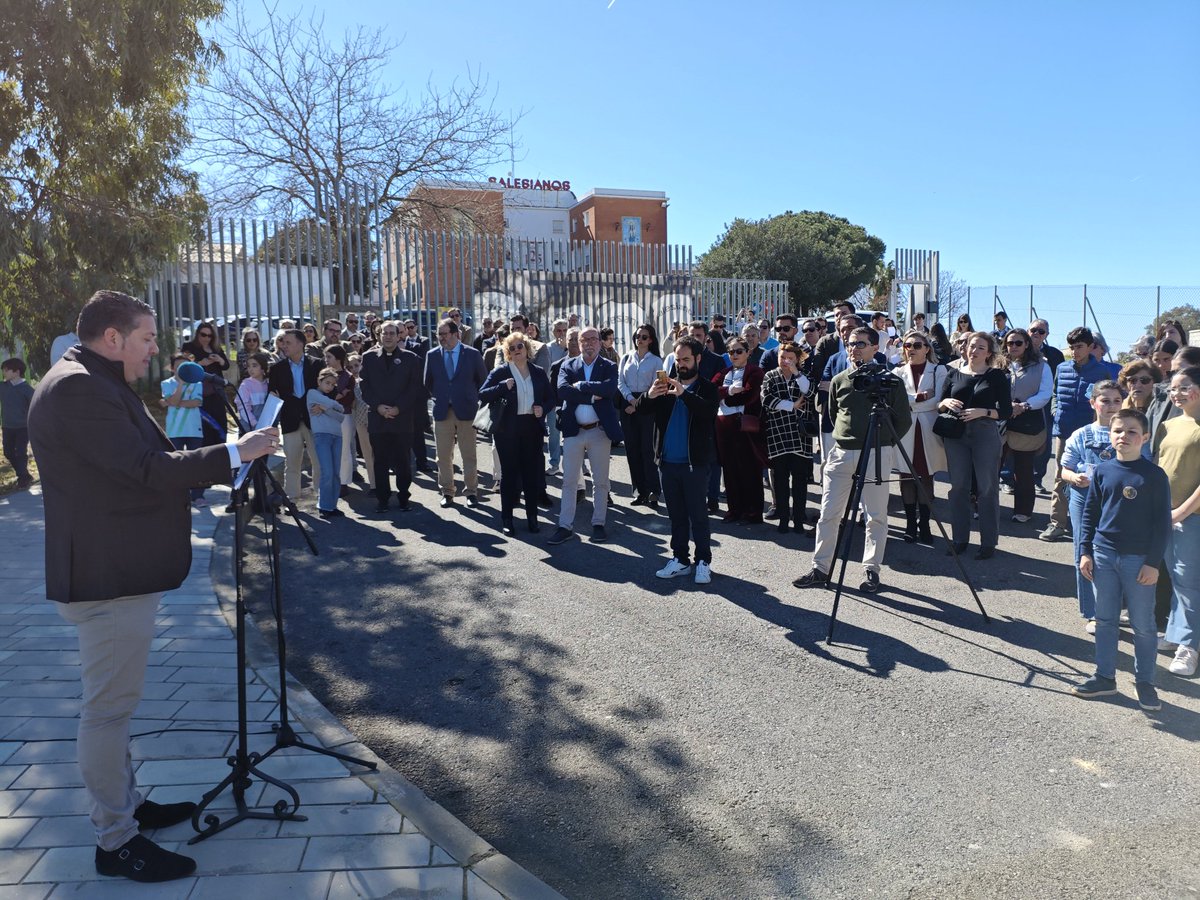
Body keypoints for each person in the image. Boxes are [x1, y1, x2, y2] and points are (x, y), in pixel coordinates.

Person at [27, 290, 277, 883]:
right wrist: (234, 451)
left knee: (115, 707)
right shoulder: (80, 387)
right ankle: (115, 841)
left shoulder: (88, 378)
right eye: (146, 338)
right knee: (108, 712)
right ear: (112, 337)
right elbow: (145, 469)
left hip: (112, 568)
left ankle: (129, 806)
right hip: (107, 575)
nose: (155, 349)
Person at [794, 327, 912, 593]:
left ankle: (872, 569)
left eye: (860, 344)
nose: (854, 348)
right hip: (842, 452)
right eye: (850, 344)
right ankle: (820, 568)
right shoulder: (840, 379)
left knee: (875, 516)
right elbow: (834, 414)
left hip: (876, 452)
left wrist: (883, 442)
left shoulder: (890, 381)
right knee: (829, 514)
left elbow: (903, 420)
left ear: (875, 348)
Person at [1071, 408, 1171, 709]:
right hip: (1103, 555)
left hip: (1138, 560)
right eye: (1117, 431)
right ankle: (1105, 677)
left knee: (1143, 624)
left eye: (1131, 431)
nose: (1123, 436)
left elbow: (1162, 524)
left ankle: (1145, 682)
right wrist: (1085, 551)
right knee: (1105, 619)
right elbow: (1090, 514)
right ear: (1110, 435)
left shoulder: (1154, 475)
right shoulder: (1102, 471)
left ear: (1145, 437)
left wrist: (1153, 563)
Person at [643, 336, 720, 583]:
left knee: (698, 516)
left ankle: (703, 561)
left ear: (698, 358)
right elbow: (641, 409)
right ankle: (680, 559)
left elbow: (708, 412)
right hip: (667, 464)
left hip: (694, 465)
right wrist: (650, 395)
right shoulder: (664, 385)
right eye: (677, 360)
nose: (681, 364)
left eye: (686, 359)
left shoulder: (707, 388)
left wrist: (684, 394)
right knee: (676, 517)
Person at [937, 331, 1012, 559]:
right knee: (958, 487)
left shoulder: (996, 376)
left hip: (984, 433)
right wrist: (945, 402)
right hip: (956, 435)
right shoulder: (953, 373)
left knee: (986, 488)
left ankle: (988, 542)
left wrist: (984, 412)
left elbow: (1006, 411)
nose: (974, 350)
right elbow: (939, 405)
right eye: (971, 346)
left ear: (988, 353)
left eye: (981, 347)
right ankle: (959, 539)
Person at [547, 326, 623, 545]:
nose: (589, 343)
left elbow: (609, 390)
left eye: (593, 339)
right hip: (574, 431)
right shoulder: (567, 365)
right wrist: (590, 397)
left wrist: (581, 386)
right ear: (578, 343)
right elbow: (563, 390)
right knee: (569, 481)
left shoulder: (609, 366)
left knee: (600, 482)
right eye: (584, 339)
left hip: (599, 431)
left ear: (599, 342)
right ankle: (565, 526)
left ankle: (598, 524)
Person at [1061, 380, 1125, 632]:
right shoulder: (1081, 434)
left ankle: (1114, 608)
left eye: (1117, 401)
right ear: (1093, 403)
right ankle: (1094, 612)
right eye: (1105, 401)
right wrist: (1074, 477)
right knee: (1085, 549)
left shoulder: (1129, 432)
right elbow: (1064, 470)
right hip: (1084, 498)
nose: (1111, 406)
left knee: (1116, 552)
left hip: (1118, 501)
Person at [1042, 327, 1111, 542]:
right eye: (1071, 347)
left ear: (1090, 347)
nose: (1074, 351)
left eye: (1079, 347)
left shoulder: (1101, 372)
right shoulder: (1062, 368)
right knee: (1061, 476)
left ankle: (1087, 523)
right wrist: (1055, 411)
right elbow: (1055, 393)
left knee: (1091, 478)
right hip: (1064, 431)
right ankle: (1057, 523)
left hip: (1091, 435)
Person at [479, 333, 551, 534]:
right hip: (507, 430)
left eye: (520, 346)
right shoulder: (501, 372)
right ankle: (507, 519)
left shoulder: (537, 372)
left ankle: (532, 518)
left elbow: (551, 398)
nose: (517, 350)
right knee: (509, 475)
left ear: (527, 348)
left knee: (531, 474)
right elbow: (482, 394)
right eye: (512, 348)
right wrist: (502, 386)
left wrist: (543, 409)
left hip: (532, 427)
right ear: (508, 353)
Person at [1154, 365, 1200, 676]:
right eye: (1173, 388)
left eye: (1184, 387)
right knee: (1174, 576)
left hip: (1191, 516)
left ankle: (1190, 647)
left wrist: (1181, 512)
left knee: (1188, 581)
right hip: (1163, 514)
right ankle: (1177, 633)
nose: (1177, 393)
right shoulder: (1169, 424)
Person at [359, 322, 422, 513]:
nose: (387, 336)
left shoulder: (410, 358)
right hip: (378, 419)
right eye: (384, 333)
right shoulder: (369, 357)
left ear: (398, 336)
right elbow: (364, 386)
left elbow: (415, 387)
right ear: (379, 335)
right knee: (380, 461)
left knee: (403, 461)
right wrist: (378, 406)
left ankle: (404, 497)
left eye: (391, 333)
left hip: (402, 419)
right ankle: (383, 499)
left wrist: (398, 408)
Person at [424, 317, 487, 507]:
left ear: (456, 334)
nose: (441, 338)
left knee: (469, 454)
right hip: (443, 411)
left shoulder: (472, 354)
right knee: (443, 455)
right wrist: (442, 396)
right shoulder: (432, 355)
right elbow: (428, 382)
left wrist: (470, 397)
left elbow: (482, 380)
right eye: (439, 334)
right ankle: (447, 491)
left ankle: (471, 491)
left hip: (467, 411)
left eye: (444, 334)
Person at [760, 340, 818, 535]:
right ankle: (784, 519)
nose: (785, 361)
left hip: (800, 436)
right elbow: (766, 400)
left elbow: (810, 393)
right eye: (782, 357)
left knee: (800, 481)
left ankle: (799, 519)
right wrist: (791, 405)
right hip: (777, 433)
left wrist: (796, 373)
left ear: (798, 359)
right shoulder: (770, 375)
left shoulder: (803, 375)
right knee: (780, 481)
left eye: (790, 358)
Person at [895, 330, 947, 542]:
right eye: (908, 345)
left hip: (928, 428)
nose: (912, 349)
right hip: (905, 428)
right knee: (906, 476)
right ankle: (910, 524)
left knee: (926, 476)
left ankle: (924, 524)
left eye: (917, 345)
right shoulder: (898, 371)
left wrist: (912, 402)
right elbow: (897, 400)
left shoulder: (938, 370)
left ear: (927, 349)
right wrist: (920, 397)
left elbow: (939, 400)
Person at [713, 336, 767, 524]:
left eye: (739, 351)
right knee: (729, 469)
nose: (734, 355)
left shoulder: (755, 371)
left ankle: (752, 512)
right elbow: (711, 391)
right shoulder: (724, 372)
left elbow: (749, 396)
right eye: (731, 352)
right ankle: (734, 510)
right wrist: (728, 391)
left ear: (748, 352)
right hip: (723, 426)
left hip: (744, 425)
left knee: (749, 469)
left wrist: (724, 398)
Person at [1002, 328, 1052, 524]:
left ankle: (1023, 510)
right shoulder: (999, 364)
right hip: (999, 421)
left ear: (1027, 344)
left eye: (1018, 343)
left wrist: (1024, 406)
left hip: (1027, 422)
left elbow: (1045, 393)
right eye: (1010, 343)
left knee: (1023, 470)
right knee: (990, 467)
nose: (1013, 346)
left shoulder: (1041, 366)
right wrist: (1005, 406)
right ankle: (983, 507)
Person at [267, 329, 323, 500]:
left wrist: (322, 406)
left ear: (300, 344)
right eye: (282, 342)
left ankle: (323, 498)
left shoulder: (317, 364)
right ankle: (291, 499)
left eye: (288, 342)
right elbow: (273, 393)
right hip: (290, 421)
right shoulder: (277, 369)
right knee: (291, 463)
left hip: (314, 419)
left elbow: (327, 389)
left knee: (319, 462)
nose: (284, 346)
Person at [618, 323, 664, 508]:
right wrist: (630, 399)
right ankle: (639, 491)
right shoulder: (626, 357)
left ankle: (653, 491)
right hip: (628, 403)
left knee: (648, 449)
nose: (640, 340)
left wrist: (637, 405)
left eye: (644, 337)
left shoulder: (656, 361)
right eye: (638, 336)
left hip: (648, 404)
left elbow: (657, 385)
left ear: (651, 340)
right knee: (632, 449)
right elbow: (620, 382)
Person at [159, 353, 207, 506]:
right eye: (179, 367)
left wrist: (170, 402)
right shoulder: (167, 383)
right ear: (173, 368)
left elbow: (196, 402)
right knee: (175, 463)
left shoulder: (197, 383)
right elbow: (174, 400)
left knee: (196, 462)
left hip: (194, 429)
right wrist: (179, 385)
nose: (182, 370)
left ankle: (198, 495)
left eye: (185, 366)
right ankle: (177, 494)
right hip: (174, 430)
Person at [180, 321, 230, 448]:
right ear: (197, 334)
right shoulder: (189, 347)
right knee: (204, 426)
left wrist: (219, 359)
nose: (206, 338)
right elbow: (183, 366)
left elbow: (226, 365)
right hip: (198, 392)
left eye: (210, 336)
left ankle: (220, 449)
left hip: (216, 391)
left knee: (220, 423)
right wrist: (200, 363)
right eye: (203, 335)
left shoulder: (215, 348)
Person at [307, 367, 346, 518]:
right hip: (322, 436)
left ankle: (332, 505)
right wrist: (332, 407)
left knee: (335, 473)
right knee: (327, 471)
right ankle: (323, 506)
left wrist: (325, 409)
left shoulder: (328, 399)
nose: (330, 386)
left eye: (332, 384)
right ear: (319, 381)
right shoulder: (312, 394)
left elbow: (341, 415)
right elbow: (338, 407)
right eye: (327, 383)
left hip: (337, 436)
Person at [323, 344, 357, 494]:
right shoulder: (323, 375)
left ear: (338, 358)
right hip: (325, 416)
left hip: (344, 417)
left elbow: (348, 399)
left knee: (343, 450)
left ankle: (343, 482)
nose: (326, 360)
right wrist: (338, 395)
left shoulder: (348, 377)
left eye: (329, 357)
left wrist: (337, 397)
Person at [1, 357, 35, 489]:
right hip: (7, 427)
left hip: (23, 427)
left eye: (6, 370)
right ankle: (25, 474)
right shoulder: (3, 387)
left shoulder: (27, 389)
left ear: (16, 372)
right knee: (8, 452)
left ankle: (22, 479)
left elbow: (35, 406)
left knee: (20, 452)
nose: (4, 372)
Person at [544, 319, 570, 474]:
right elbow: (548, 371)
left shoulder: (572, 346)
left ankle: (579, 465)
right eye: (558, 330)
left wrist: (566, 348)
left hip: (570, 394)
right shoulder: (548, 348)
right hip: (553, 395)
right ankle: (554, 463)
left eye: (564, 330)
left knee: (573, 432)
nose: (562, 333)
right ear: (553, 332)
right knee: (553, 432)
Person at [347, 353, 375, 491]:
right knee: (367, 454)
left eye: (356, 365)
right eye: (350, 367)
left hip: (376, 420)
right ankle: (373, 485)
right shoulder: (349, 382)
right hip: (361, 422)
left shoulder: (371, 378)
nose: (354, 369)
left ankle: (382, 484)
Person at [236, 351, 271, 432]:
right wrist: (255, 423)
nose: (250, 369)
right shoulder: (245, 385)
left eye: (254, 366)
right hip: (249, 428)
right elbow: (243, 408)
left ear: (263, 368)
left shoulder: (269, 384)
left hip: (266, 427)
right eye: (248, 366)